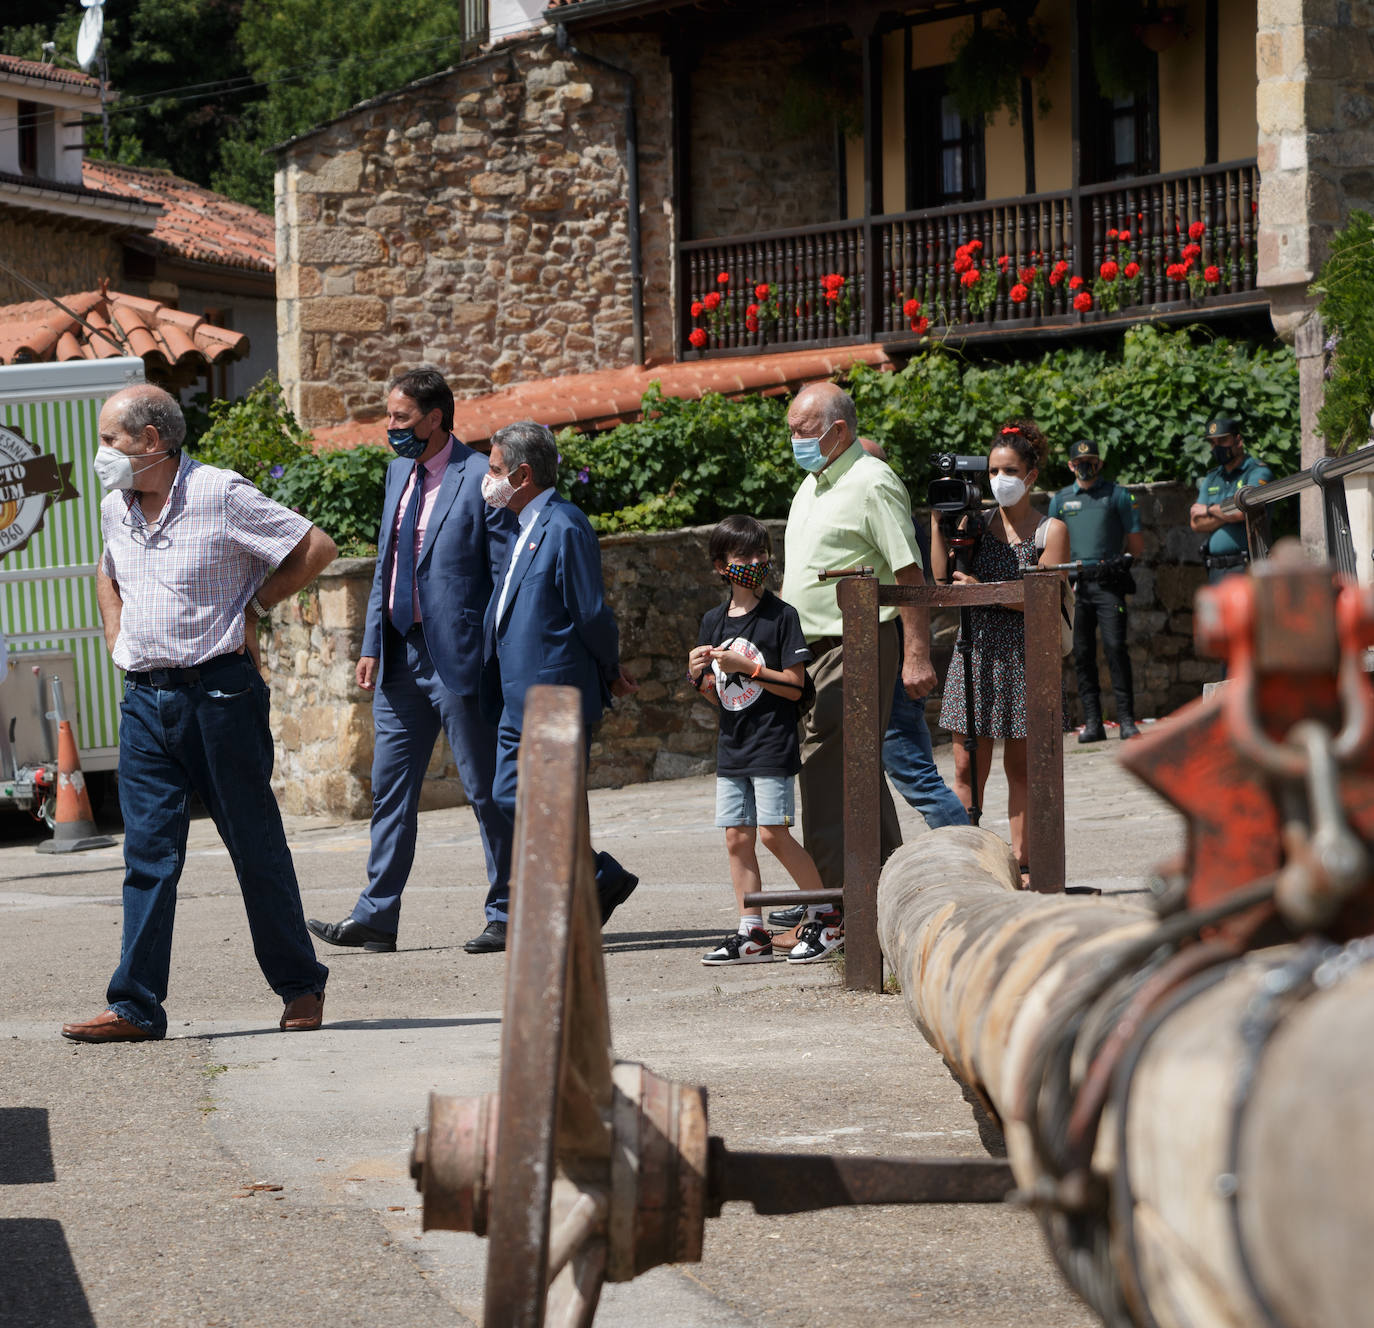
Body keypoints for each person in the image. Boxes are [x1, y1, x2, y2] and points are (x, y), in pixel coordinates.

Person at [62, 385, 336, 1042]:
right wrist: (115, 638)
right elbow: (108, 572)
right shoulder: (113, 507)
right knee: (148, 854)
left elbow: (316, 547)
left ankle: (301, 987)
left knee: (254, 845)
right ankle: (134, 1005)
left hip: (220, 696)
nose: (101, 454)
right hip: (145, 703)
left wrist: (256, 606)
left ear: (151, 441)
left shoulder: (219, 493)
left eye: (110, 440)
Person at [306, 369, 516, 956]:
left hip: (460, 659)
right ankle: (377, 915)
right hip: (399, 654)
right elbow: (387, 565)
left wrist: (491, 649)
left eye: (400, 417)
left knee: (484, 788)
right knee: (388, 788)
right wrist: (372, 641)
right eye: (389, 416)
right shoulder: (398, 471)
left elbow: (503, 574)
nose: (390, 428)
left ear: (434, 418)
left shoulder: (480, 476)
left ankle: (507, 909)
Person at [778, 383, 936, 957]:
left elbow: (909, 574)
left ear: (836, 430)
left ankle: (837, 907)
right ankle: (892, 894)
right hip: (810, 648)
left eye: (802, 430)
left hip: (857, 641)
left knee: (823, 769)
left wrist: (916, 653)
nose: (793, 440)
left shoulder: (871, 481)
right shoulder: (814, 483)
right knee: (854, 775)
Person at [472, 421, 639, 954]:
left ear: (522, 474)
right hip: (516, 692)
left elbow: (590, 611)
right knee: (506, 794)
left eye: (495, 470)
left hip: (553, 690)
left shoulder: (566, 526)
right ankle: (593, 879)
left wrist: (610, 668)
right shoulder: (522, 523)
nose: (488, 479)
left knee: (543, 801)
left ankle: (580, 892)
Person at [689, 515, 831, 964]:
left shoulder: (781, 617)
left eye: (760, 554)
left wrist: (746, 667)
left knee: (772, 834)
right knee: (736, 838)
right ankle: (752, 931)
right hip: (733, 745)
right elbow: (723, 699)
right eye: (743, 556)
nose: (755, 563)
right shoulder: (713, 621)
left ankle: (828, 916)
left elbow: (794, 685)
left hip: (772, 741)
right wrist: (699, 679)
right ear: (721, 566)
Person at [932, 419, 1069, 882]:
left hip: (1025, 658)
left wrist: (985, 589)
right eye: (992, 470)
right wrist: (940, 521)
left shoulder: (1052, 531)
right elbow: (940, 579)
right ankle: (969, 861)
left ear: (1030, 476)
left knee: (1022, 770)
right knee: (967, 765)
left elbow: (1043, 599)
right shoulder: (976, 522)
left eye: (1008, 470)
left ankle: (1024, 864)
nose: (998, 480)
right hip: (974, 653)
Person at [1048, 439, 1145, 742]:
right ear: (1070, 465)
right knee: (1082, 653)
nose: (1084, 465)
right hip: (1075, 585)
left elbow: (1137, 544)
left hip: (1108, 583)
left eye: (1090, 460)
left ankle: (1127, 720)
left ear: (1100, 463)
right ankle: (1093, 723)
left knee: (1116, 648)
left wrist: (1117, 563)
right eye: (1079, 461)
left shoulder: (1118, 496)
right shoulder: (1060, 500)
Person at [1190, 416, 1272, 584]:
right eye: (1213, 443)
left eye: (1222, 440)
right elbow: (1196, 523)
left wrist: (1209, 510)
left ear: (1238, 440)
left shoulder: (1257, 472)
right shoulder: (1213, 477)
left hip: (1246, 567)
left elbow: (1246, 510)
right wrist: (1230, 513)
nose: (1217, 447)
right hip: (1215, 569)